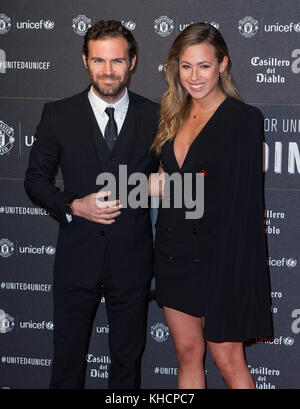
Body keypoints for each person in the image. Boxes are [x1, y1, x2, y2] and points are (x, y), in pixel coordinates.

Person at [24, 20, 159, 389]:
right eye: (99, 61)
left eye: (117, 61)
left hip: (132, 259)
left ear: (132, 62)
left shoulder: (157, 115)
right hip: (76, 257)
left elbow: (176, 183)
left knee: (126, 365)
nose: (108, 71)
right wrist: (74, 205)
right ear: (85, 61)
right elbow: (34, 181)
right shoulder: (58, 114)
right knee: (66, 363)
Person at [150, 23, 273, 389]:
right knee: (187, 354)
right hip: (174, 253)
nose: (194, 76)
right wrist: (123, 190)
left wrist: (235, 272)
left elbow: (240, 199)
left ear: (222, 65)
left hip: (220, 257)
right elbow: (164, 183)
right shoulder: (171, 116)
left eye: (204, 65)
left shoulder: (244, 120)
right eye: (186, 66)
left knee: (228, 361)